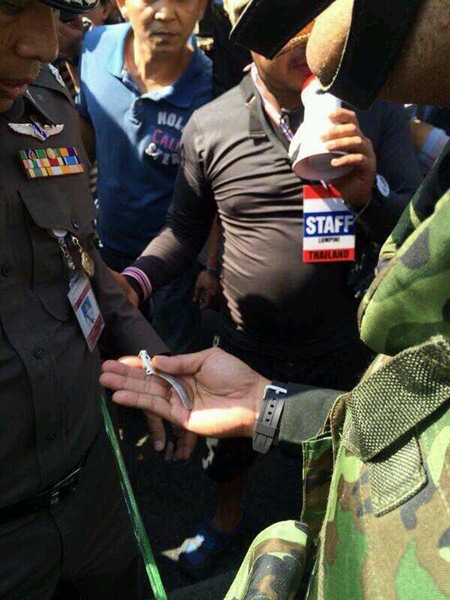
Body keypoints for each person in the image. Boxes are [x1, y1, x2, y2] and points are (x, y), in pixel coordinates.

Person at [101, 0, 450, 596]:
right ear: (247, 39)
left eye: (317, 17)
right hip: (244, 343)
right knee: (229, 455)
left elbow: (415, 232)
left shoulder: (374, 112)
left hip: (341, 339)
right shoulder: (210, 125)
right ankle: (226, 520)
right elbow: (184, 229)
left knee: (353, 454)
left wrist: (368, 194)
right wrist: (136, 280)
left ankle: (332, 536)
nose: (305, 40)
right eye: (285, 23)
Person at [0, 0, 170, 597]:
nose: (44, 44)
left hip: (93, 500)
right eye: (8, 8)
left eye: (53, 11)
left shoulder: (46, 101)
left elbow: (78, 255)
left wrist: (148, 359)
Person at [76, 0, 213, 354]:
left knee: (172, 364)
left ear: (202, 7)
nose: (164, 12)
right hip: (105, 252)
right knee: (113, 362)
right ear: (122, 3)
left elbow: (216, 191)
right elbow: (83, 139)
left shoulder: (213, 88)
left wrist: (212, 265)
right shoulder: (93, 49)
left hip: (176, 272)